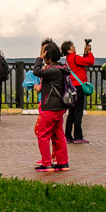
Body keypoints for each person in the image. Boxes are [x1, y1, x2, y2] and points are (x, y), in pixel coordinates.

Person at [33, 40, 70, 173]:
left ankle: (46, 163)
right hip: (59, 107)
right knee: (58, 135)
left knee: (42, 135)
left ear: (48, 55)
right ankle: (62, 163)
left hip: (50, 108)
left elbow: (36, 71)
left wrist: (40, 58)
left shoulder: (53, 70)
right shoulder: (60, 68)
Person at [61, 39, 95, 144]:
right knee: (78, 112)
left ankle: (67, 135)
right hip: (78, 87)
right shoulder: (75, 58)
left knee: (71, 112)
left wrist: (84, 53)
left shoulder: (67, 59)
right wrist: (89, 52)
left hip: (71, 87)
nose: (74, 47)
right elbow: (90, 62)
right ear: (69, 50)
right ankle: (78, 136)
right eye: (72, 46)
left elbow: (81, 63)